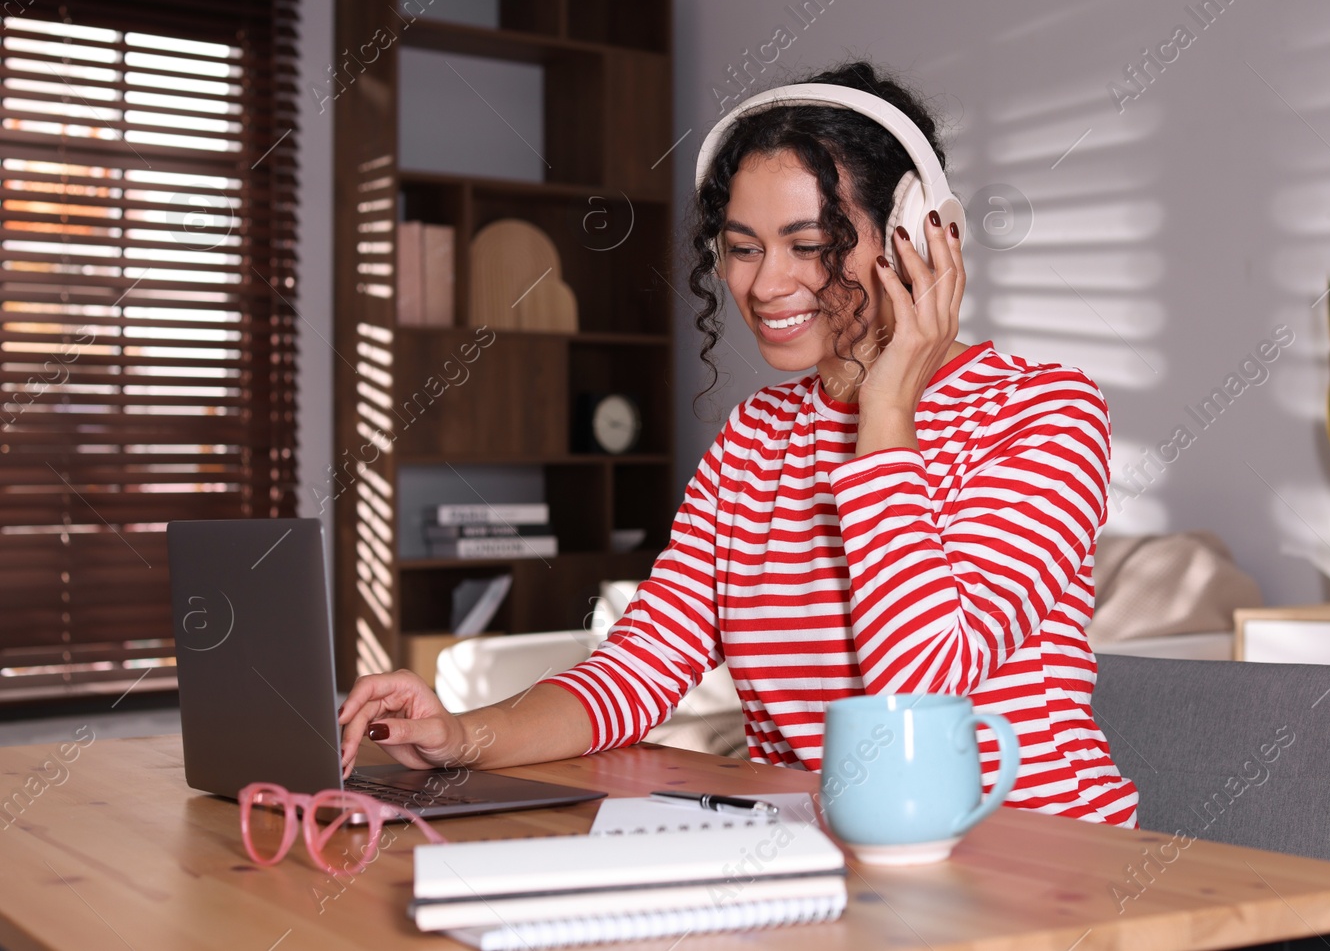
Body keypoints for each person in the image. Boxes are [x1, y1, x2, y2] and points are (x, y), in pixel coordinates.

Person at [338, 60, 1139, 827]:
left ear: (913, 237)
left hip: (1043, 862)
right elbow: (640, 666)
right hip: (830, 866)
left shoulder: (1042, 411)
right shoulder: (756, 437)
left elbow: (920, 691)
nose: (764, 285)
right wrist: (460, 736)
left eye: (809, 243)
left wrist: (886, 406)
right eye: (744, 247)